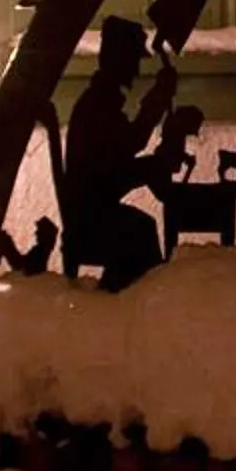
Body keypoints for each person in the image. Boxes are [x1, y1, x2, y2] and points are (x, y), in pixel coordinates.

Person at [60, 16, 177, 290]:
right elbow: (127, 147)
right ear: (118, 60)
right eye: (133, 61)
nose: (136, 71)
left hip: (92, 208)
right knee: (139, 231)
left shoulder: (101, 101)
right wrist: (158, 98)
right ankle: (119, 301)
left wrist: (151, 166)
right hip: (90, 218)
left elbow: (119, 159)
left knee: (141, 227)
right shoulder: (99, 106)